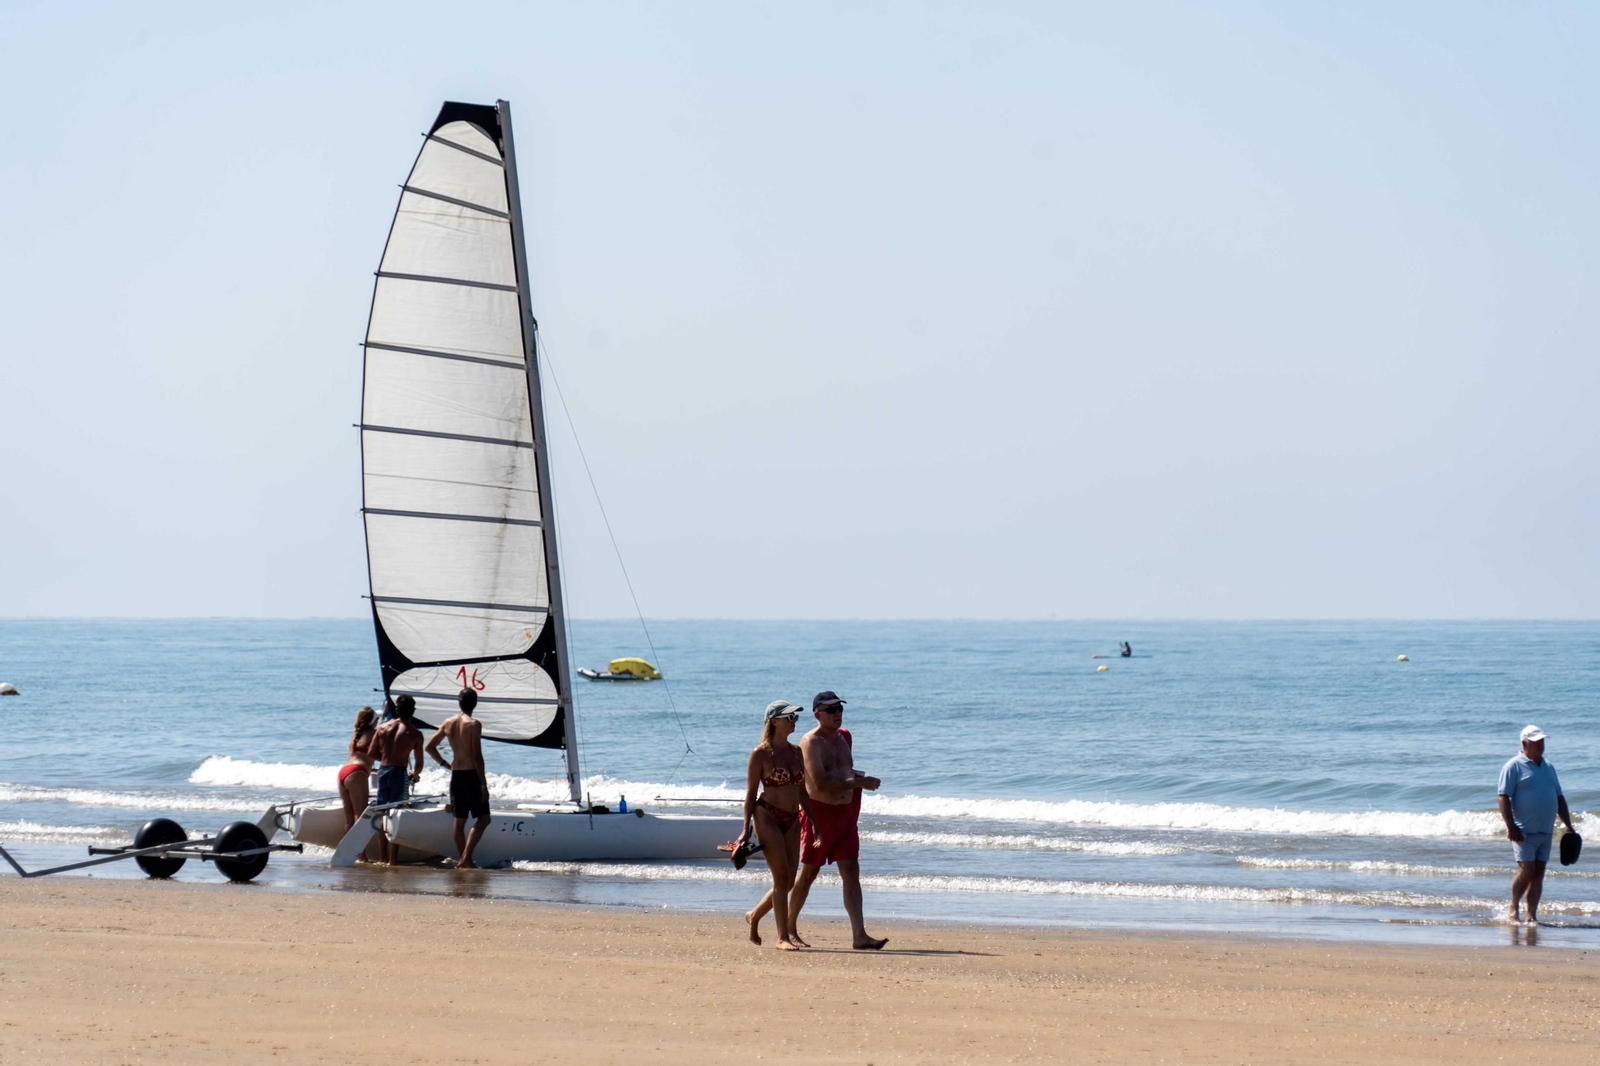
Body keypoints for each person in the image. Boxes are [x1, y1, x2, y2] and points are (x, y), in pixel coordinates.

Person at [786, 690, 887, 950]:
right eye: (830, 710)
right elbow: (819, 783)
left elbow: (842, 771)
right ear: (817, 713)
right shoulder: (810, 742)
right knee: (809, 873)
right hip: (821, 814)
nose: (837, 714)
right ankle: (788, 929)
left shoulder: (845, 737)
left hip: (846, 813)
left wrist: (857, 780)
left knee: (851, 871)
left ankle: (859, 935)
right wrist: (859, 782)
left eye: (839, 709)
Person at [732, 699, 815, 950]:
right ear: (774, 721)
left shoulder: (796, 751)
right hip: (766, 815)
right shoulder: (760, 754)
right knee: (780, 877)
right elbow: (750, 794)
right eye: (789, 718)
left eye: (795, 718)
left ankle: (754, 916)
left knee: (789, 881)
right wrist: (745, 829)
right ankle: (782, 938)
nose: (794, 722)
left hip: (792, 818)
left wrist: (815, 822)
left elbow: (802, 792)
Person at [1497, 724, 1575, 924]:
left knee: (1539, 872)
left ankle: (1531, 915)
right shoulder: (1513, 766)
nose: (1541, 745)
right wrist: (1511, 826)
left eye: (1542, 741)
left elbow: (1559, 798)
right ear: (1524, 743)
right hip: (1523, 831)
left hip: (1546, 831)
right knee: (1527, 870)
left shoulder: (1548, 767)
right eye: (1536, 742)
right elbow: (1503, 797)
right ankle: (1514, 906)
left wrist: (1568, 824)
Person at [426, 688, 491, 869]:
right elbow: (477, 756)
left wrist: (445, 764)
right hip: (471, 775)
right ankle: (465, 858)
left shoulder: (448, 723)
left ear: (459, 702)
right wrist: (484, 785)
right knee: (484, 819)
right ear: (475, 704)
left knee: (459, 820)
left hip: (457, 775)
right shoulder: (473, 724)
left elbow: (429, 746)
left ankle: (466, 860)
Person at [369, 693, 426, 864]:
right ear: (413, 711)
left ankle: (383, 857)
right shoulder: (415, 733)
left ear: (396, 709)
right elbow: (419, 763)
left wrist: (386, 758)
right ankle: (393, 859)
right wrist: (414, 775)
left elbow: (372, 753)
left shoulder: (383, 728)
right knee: (396, 815)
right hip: (399, 773)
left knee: (382, 814)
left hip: (383, 771)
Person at [336, 706, 379, 831]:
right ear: (372, 721)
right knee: (360, 817)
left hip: (344, 772)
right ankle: (360, 851)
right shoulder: (374, 733)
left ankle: (349, 851)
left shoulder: (355, 734)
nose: (378, 722)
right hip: (357, 772)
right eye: (377, 719)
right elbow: (382, 755)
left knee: (349, 819)